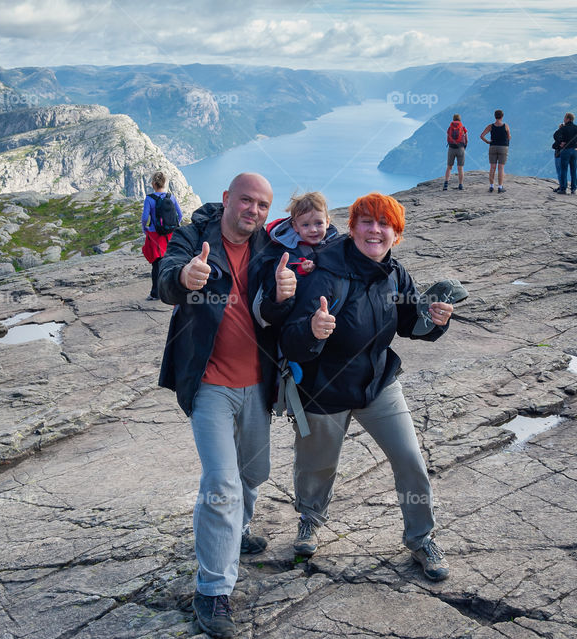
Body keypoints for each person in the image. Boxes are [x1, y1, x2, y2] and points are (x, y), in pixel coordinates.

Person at [278, 192, 455, 582]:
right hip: (323, 389)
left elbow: (411, 323)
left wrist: (436, 320)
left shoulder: (395, 273)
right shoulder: (324, 271)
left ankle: (422, 538)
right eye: (367, 222)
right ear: (353, 226)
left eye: (384, 224)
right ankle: (310, 518)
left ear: (396, 234)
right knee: (317, 465)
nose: (375, 230)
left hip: (377, 382)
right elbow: (290, 338)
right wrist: (312, 329)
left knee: (410, 458)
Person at [157, 173, 296, 638]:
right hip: (209, 383)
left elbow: (325, 240)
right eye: (245, 200)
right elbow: (165, 278)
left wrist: (287, 294)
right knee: (221, 481)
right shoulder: (194, 236)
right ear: (226, 200)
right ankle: (212, 590)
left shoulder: (271, 247)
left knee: (252, 475)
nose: (253, 210)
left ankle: (234, 532)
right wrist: (183, 275)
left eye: (261, 204)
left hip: (257, 384)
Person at [141, 171, 183, 300]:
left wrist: (145, 228)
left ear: (154, 184)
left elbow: (144, 217)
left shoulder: (149, 199)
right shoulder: (171, 197)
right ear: (165, 183)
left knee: (157, 264)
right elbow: (180, 215)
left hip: (155, 235)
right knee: (171, 262)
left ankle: (155, 294)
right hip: (170, 234)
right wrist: (172, 227)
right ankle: (173, 290)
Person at [553, 113, 577, 195]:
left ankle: (563, 189)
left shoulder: (564, 128)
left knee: (564, 170)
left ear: (568, 119)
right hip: (574, 151)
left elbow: (555, 135)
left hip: (565, 150)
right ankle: (573, 189)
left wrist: (560, 143)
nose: (564, 119)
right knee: (573, 170)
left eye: (565, 118)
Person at [479, 109, 510, 193]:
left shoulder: (490, 126)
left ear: (495, 116)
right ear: (502, 116)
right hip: (503, 147)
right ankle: (500, 187)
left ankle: (491, 186)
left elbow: (481, 136)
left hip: (493, 147)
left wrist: (487, 141)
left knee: (492, 167)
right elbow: (509, 137)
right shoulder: (506, 126)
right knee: (501, 168)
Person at [443, 114, 468, 191]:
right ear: (460, 120)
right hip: (460, 149)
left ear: (453, 119)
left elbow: (448, 138)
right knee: (460, 168)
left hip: (451, 149)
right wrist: (464, 147)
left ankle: (446, 184)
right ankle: (460, 185)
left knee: (449, 167)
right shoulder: (463, 128)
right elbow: (466, 139)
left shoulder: (450, 128)